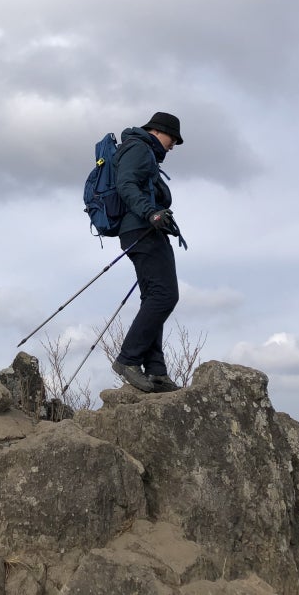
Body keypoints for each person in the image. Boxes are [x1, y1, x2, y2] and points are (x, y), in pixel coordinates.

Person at [110, 112, 184, 393]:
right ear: (156, 131)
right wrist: (151, 212)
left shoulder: (142, 151)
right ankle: (128, 360)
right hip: (142, 230)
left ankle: (156, 370)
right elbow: (125, 184)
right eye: (172, 138)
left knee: (155, 297)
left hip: (145, 231)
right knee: (165, 296)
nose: (173, 145)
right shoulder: (139, 149)